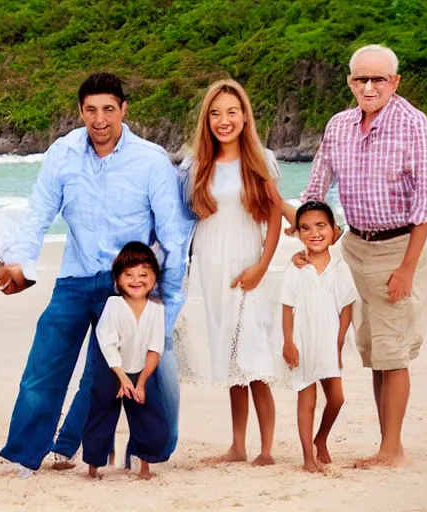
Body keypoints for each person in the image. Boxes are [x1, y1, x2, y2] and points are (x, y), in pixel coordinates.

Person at [0, 72, 193, 476]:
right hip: (75, 277)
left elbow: (174, 236)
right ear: (80, 111)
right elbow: (38, 215)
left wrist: (165, 307)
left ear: (123, 110)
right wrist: (21, 263)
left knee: (125, 374)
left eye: (108, 109)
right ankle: (25, 458)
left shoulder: (150, 160)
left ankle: (143, 451)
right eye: (90, 110)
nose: (99, 119)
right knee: (43, 369)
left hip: (128, 287)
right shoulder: (62, 153)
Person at [292, 45, 427, 467]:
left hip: (398, 247)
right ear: (350, 81)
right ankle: (385, 441)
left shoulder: (413, 124)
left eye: (378, 79)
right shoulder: (339, 125)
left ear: (394, 81)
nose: (369, 86)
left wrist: (407, 268)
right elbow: (315, 190)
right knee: (374, 350)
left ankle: (392, 449)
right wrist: (308, 246)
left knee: (393, 352)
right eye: (361, 79)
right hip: (352, 248)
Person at [178, 79, 283, 466]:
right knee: (231, 357)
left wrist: (261, 266)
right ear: (207, 119)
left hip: (246, 264)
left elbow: (274, 216)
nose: (224, 120)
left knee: (253, 356)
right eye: (216, 113)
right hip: (210, 265)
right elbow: (181, 218)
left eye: (232, 112)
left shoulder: (261, 160)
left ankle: (267, 449)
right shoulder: (195, 165)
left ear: (244, 116)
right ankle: (238, 446)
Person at [82, 242, 169, 480]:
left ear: (154, 278)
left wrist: (140, 383)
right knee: (101, 415)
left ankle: (144, 467)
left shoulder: (157, 309)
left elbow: (155, 349)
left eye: (143, 274)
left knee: (150, 418)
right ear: (118, 279)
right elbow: (107, 342)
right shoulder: (113, 305)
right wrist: (121, 378)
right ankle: (94, 466)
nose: (136, 280)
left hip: (142, 370)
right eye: (128, 275)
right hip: (112, 369)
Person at [280, 201, 357, 472]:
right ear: (298, 233)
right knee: (307, 399)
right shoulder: (296, 267)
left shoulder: (340, 267)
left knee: (336, 398)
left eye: (321, 226)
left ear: (334, 231)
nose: (314, 233)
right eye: (306, 228)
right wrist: (288, 342)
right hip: (302, 339)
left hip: (328, 340)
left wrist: (338, 343)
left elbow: (347, 306)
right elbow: (287, 307)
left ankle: (321, 438)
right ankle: (307, 457)